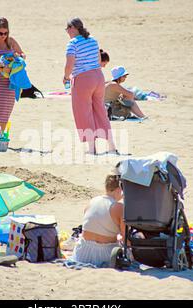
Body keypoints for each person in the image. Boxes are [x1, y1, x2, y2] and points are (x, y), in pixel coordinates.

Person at [63, 18, 118, 155]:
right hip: (98, 77)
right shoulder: (93, 40)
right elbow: (99, 61)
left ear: (73, 28)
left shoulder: (72, 43)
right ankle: (111, 146)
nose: (67, 32)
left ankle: (92, 149)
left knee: (83, 112)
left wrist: (65, 77)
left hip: (83, 79)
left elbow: (69, 64)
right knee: (100, 111)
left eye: (67, 29)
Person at [71, 174, 125, 267]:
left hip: (82, 252)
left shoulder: (92, 201)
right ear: (119, 190)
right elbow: (125, 238)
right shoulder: (118, 207)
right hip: (105, 254)